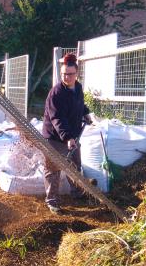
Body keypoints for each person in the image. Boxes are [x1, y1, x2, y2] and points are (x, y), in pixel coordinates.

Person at [42, 53, 92, 214]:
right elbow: (57, 118)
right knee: (53, 169)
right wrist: (68, 138)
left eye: (70, 74)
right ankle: (52, 201)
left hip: (73, 134)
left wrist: (86, 113)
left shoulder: (77, 87)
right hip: (55, 137)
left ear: (76, 74)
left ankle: (77, 192)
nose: (67, 77)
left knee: (75, 165)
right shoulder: (56, 93)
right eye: (64, 74)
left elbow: (79, 104)